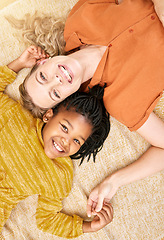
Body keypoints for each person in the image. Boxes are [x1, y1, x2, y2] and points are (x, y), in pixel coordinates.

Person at [9, 0, 164, 216]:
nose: (57, 79)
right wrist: (114, 181)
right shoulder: (120, 101)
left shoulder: (78, 21)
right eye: (55, 93)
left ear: (43, 62)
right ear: (67, 98)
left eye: (43, 77)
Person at [0, 46, 112, 238]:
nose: (65, 141)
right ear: (48, 115)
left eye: (77, 140)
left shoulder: (61, 174)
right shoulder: (15, 118)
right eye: (65, 128)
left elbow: (46, 220)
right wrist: (19, 64)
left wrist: (89, 227)